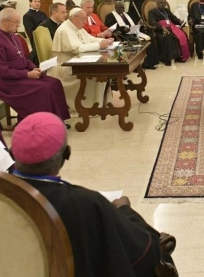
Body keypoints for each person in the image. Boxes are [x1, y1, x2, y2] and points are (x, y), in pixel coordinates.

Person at [10, 113, 173, 276]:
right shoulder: (85, 203)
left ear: (12, 152)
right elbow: (144, 251)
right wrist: (125, 210)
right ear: (66, 154)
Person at [0, 8, 70, 122]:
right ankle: (42, 122)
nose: (18, 25)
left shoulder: (14, 37)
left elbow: (24, 58)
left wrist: (33, 67)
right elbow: (2, 71)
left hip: (22, 74)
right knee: (44, 88)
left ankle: (57, 119)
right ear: (5, 21)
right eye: (16, 22)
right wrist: (27, 74)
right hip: (7, 82)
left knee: (55, 82)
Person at [48, 8, 111, 113]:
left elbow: (91, 39)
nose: (85, 22)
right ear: (74, 18)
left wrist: (105, 41)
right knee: (95, 73)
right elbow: (77, 48)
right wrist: (99, 45)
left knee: (100, 71)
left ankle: (99, 103)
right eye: (83, 19)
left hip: (77, 62)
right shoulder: (64, 30)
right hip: (65, 66)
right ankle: (88, 107)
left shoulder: (78, 27)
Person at [148, 0, 189, 64]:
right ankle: (167, 59)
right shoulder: (152, 12)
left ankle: (179, 56)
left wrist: (180, 22)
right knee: (169, 37)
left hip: (171, 28)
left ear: (165, 4)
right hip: (160, 30)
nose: (161, 4)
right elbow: (152, 22)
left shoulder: (167, 11)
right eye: (160, 3)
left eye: (163, 3)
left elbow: (173, 18)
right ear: (157, 3)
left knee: (182, 34)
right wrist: (161, 27)